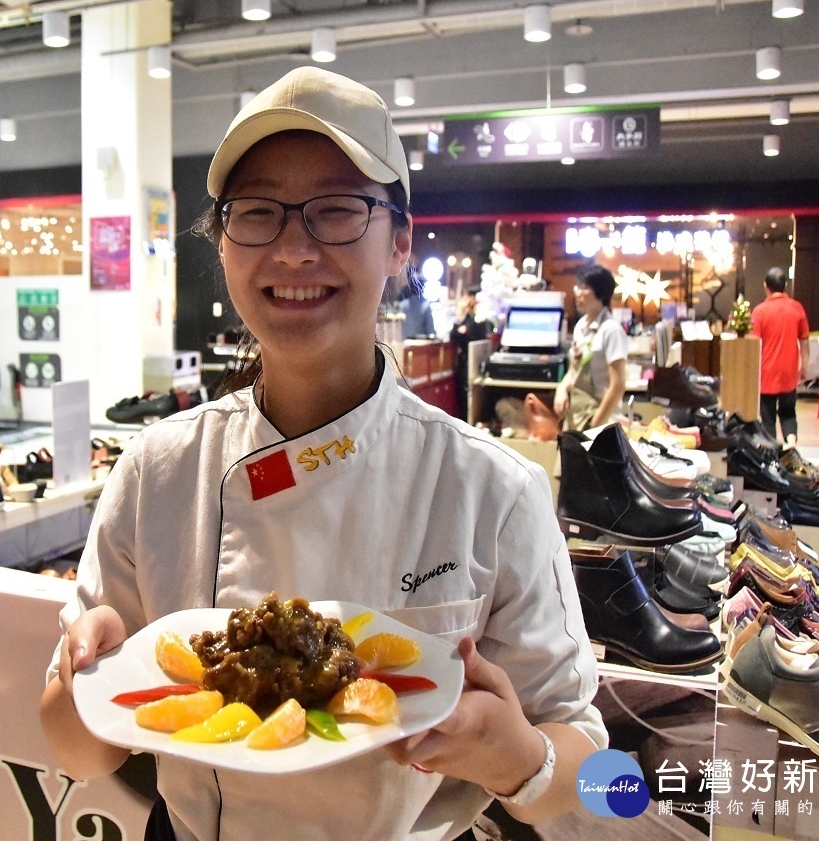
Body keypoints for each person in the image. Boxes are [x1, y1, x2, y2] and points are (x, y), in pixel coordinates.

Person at [40, 66, 606, 840]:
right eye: (258, 213)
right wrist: (80, 677)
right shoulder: (159, 471)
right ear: (223, 240)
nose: (295, 251)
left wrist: (517, 759)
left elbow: (596, 777)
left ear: (400, 240)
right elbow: (77, 753)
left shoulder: (492, 489)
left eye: (337, 211)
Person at [553, 264, 628, 431]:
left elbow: (618, 385)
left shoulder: (611, 330)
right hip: (577, 415)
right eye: (578, 287)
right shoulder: (581, 326)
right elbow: (574, 369)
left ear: (600, 293)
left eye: (585, 288)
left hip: (600, 418)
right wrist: (562, 388)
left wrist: (596, 424)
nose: (578, 293)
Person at [750, 266, 809, 445]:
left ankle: (772, 452)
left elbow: (754, 344)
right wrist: (804, 366)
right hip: (789, 371)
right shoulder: (797, 308)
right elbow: (804, 341)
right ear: (785, 285)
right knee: (788, 412)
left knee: (767, 416)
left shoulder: (759, 311)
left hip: (766, 371)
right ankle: (791, 445)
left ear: (766, 286)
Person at [449, 286, 489, 420]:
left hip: (472, 361)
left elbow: (469, 334)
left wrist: (461, 326)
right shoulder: (466, 318)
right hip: (464, 361)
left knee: (468, 397)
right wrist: (459, 318)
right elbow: (453, 335)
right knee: (462, 397)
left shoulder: (479, 320)